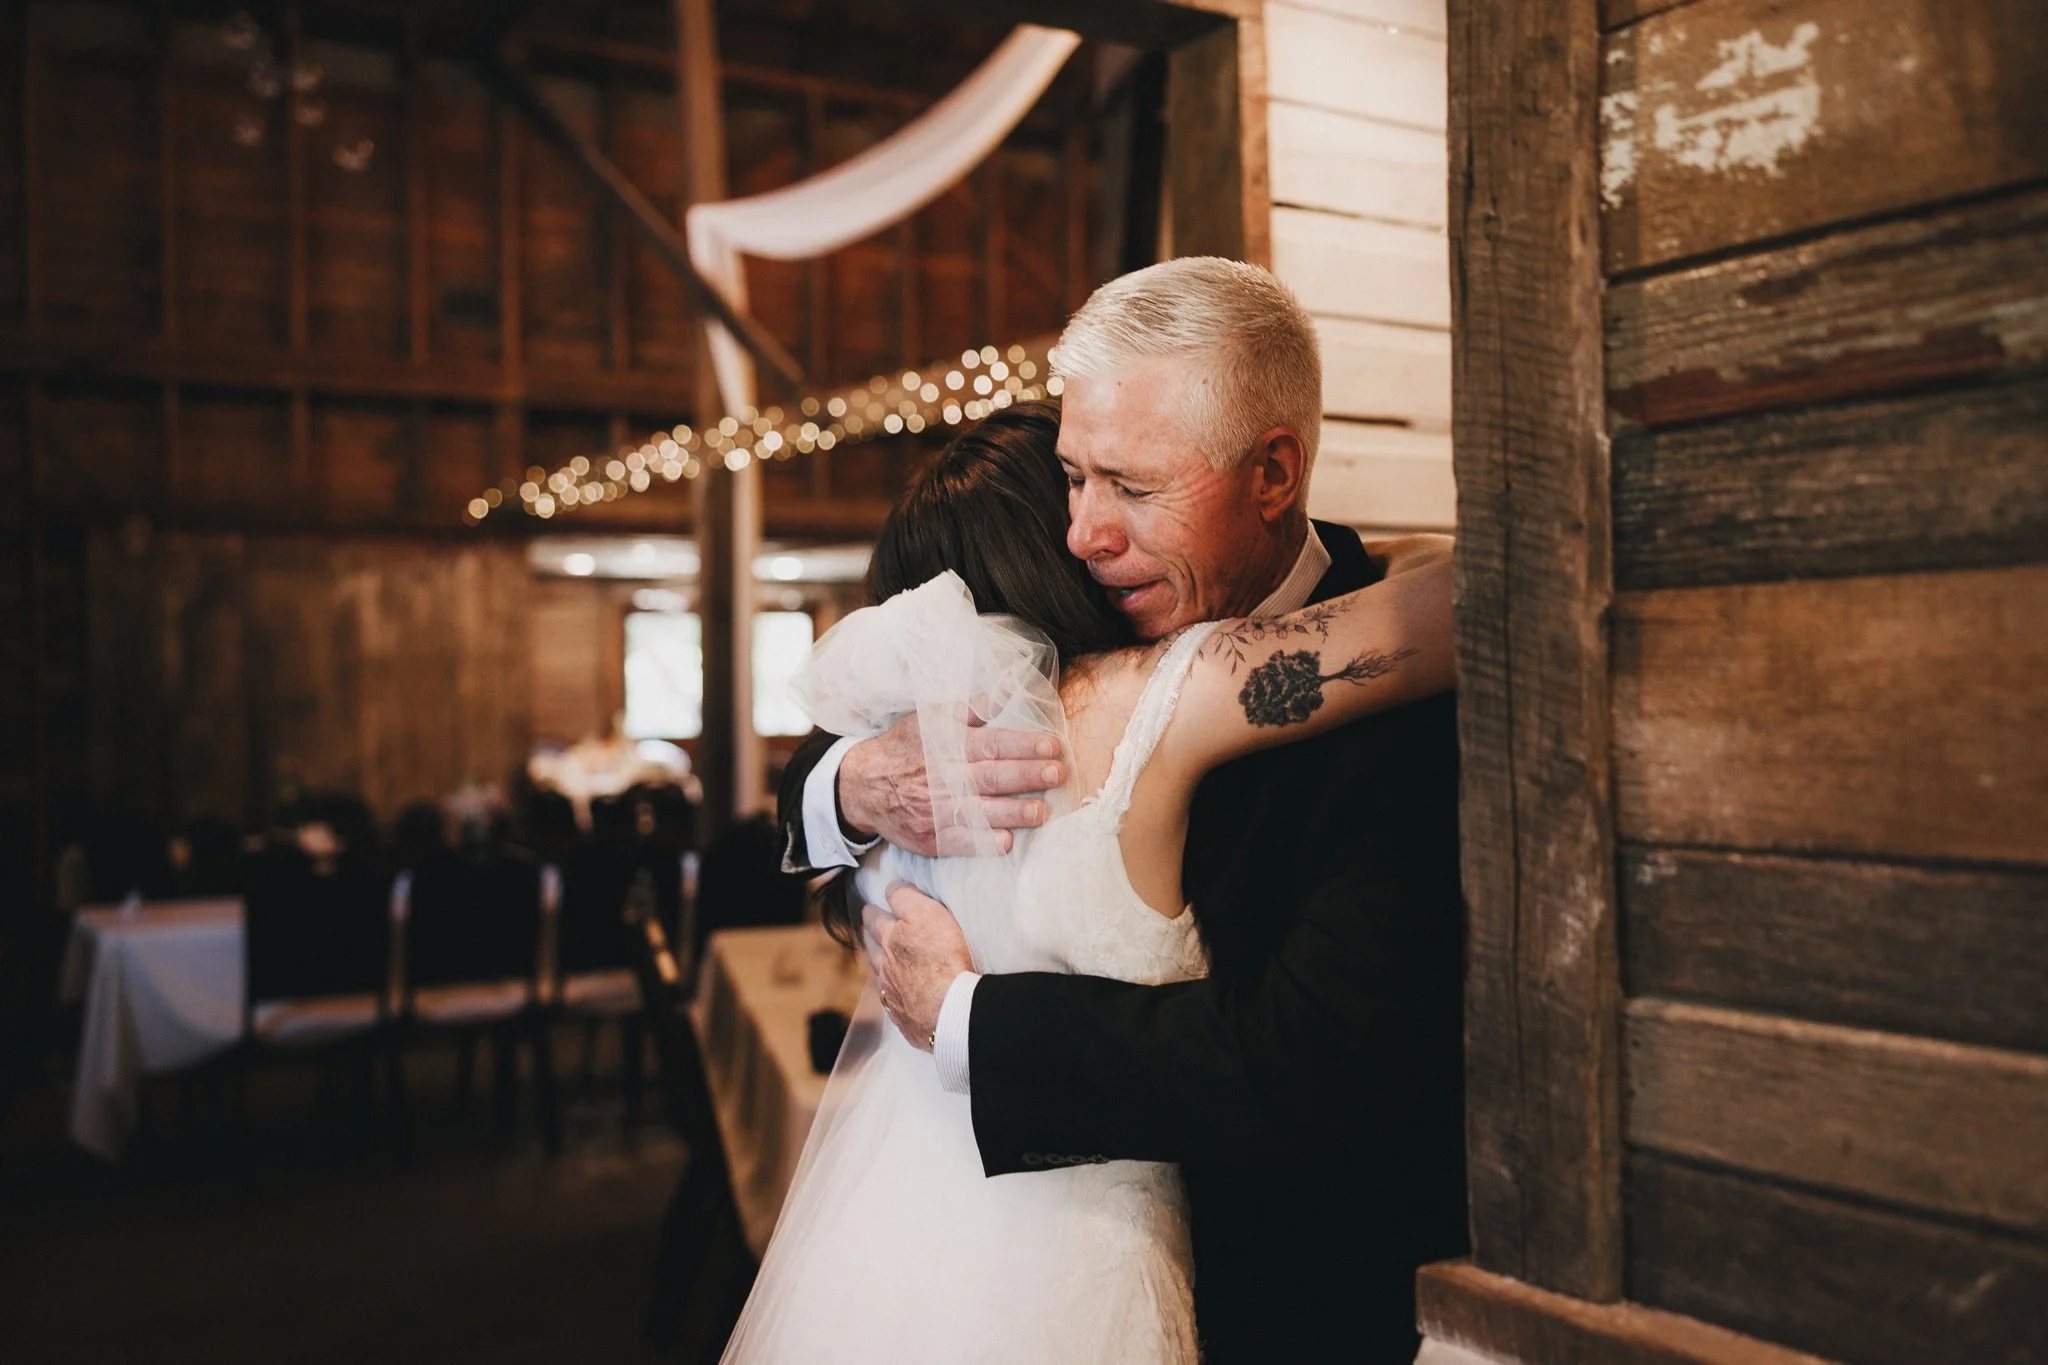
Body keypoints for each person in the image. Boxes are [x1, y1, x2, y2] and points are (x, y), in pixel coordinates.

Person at [779, 258, 1469, 1362]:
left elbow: (1315, 1058)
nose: (1082, 534)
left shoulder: (1392, 708)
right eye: (1070, 477)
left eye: (1131, 487)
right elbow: (856, 724)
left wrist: (967, 1018)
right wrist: (846, 783)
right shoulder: (1060, 637)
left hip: (1285, 1300)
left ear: (1272, 473)